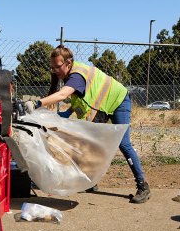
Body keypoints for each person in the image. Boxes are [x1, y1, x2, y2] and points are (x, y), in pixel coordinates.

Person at [24, 46, 150, 204]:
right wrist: (66, 114)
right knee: (88, 142)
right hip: (103, 105)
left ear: (68, 63)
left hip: (118, 100)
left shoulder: (76, 76)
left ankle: (142, 186)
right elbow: (81, 98)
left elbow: (64, 94)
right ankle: (90, 181)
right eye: (53, 67)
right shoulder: (71, 75)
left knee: (124, 144)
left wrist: (37, 103)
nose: (55, 70)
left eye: (58, 66)